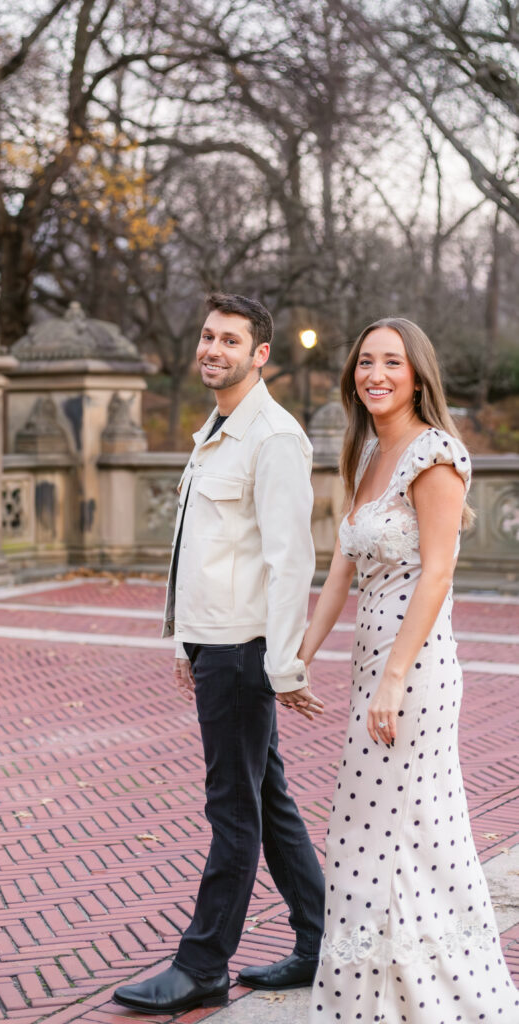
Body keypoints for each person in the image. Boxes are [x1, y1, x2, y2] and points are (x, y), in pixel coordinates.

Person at [299, 317, 519, 1022]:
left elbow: (436, 574)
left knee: (404, 835)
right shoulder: (366, 453)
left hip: (415, 671)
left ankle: (442, 999)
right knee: (371, 835)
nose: (375, 375)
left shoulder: (435, 454)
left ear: (417, 374)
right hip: (373, 667)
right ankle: (376, 1000)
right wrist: (297, 658)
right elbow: (339, 570)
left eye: (391, 363)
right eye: (365, 362)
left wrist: (394, 679)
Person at [112, 292, 326, 1015]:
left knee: (232, 809)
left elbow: (289, 560)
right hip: (212, 642)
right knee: (268, 800)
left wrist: (281, 664)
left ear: (259, 354)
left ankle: (202, 964)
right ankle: (319, 942)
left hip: (242, 651)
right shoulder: (217, 428)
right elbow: (198, 550)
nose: (212, 350)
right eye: (207, 337)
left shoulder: (272, 437)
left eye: (229, 341)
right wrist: (182, 642)